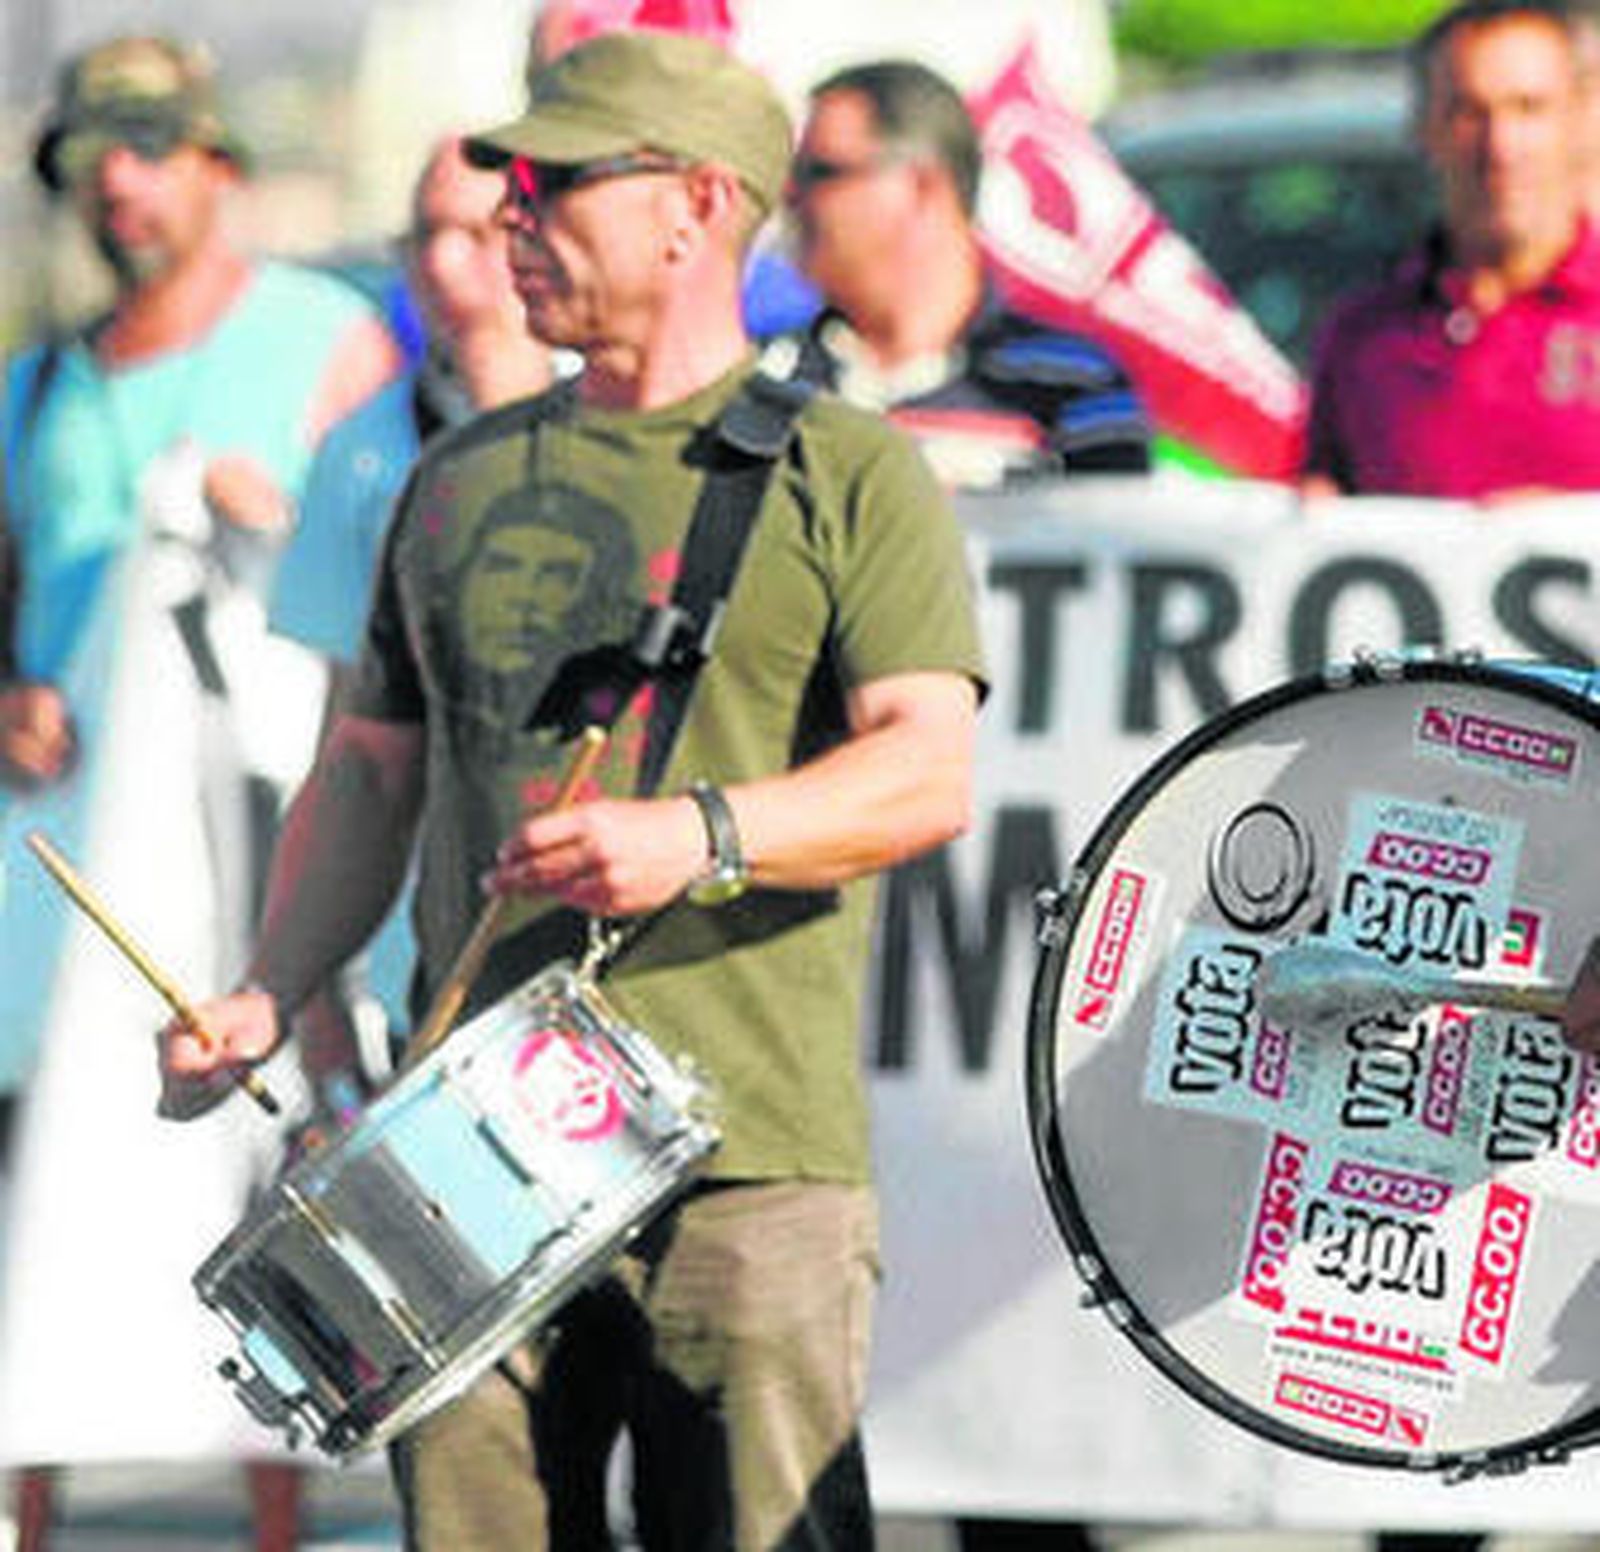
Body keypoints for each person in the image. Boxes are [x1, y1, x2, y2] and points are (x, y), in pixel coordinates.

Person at [159, 28, 984, 1552]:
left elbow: (925, 769)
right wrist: (271, 989)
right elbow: (368, 768)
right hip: (467, 1151)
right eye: (507, 192)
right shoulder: (453, 476)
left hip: (748, 1158)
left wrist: (702, 835)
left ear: (690, 205)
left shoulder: (851, 471)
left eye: (553, 187)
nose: (510, 223)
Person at [0, 33, 399, 1552]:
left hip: (258, 839)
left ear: (217, 166)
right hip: (69, 856)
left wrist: (272, 520)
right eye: (94, 152)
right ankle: (33, 1495)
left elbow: (384, 566)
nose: (120, 179)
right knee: (54, 1158)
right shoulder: (39, 384)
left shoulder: (327, 337)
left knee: (255, 1148)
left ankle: (276, 1505)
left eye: (151, 145)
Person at [268, 133, 556, 1048]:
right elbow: (344, 735)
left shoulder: (628, 427)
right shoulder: (363, 447)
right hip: (416, 960)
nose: (442, 264)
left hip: (583, 948)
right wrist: (301, 984)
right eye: (422, 236)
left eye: (477, 232)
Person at [785, 58, 1151, 489]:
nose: (791, 196)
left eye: (820, 172)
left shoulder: (1074, 384)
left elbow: (1113, 543)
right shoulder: (769, 378)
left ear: (923, 186)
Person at [1303, 0, 1600, 501]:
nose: (1500, 146)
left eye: (1529, 108)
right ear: (1424, 129)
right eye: (1467, 112)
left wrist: (1569, 533)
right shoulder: (1359, 338)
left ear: (1583, 121)